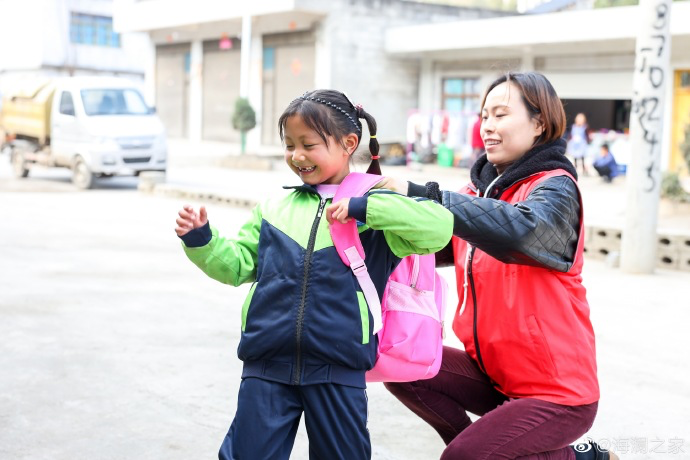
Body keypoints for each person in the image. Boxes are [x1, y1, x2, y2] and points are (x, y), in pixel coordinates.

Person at [174, 89, 453, 460]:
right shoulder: (274, 208)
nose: (297, 156)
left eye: (308, 144)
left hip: (339, 369)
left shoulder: (377, 208)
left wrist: (364, 206)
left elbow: (438, 229)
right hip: (266, 364)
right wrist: (201, 239)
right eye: (289, 145)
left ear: (348, 143)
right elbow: (238, 264)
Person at [376, 72, 618, 460]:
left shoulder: (556, 188)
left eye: (500, 114)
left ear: (539, 123)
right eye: (484, 115)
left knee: (466, 457)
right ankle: (490, 448)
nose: (487, 126)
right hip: (495, 375)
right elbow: (430, 243)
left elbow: (520, 230)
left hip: (557, 392)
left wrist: (426, 195)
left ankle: (580, 457)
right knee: (402, 365)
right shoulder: (478, 192)